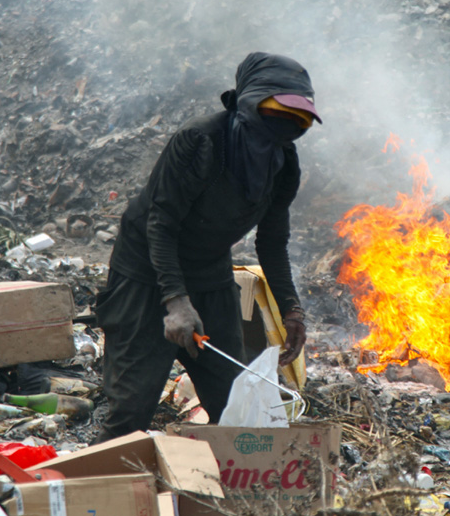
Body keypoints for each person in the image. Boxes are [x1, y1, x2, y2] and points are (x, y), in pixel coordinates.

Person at [92, 52, 320, 443]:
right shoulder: (200, 141)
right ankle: (95, 477)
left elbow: (272, 242)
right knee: (130, 412)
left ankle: (222, 481)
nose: (283, 128)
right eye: (275, 113)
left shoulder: (283, 162)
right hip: (146, 274)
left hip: (210, 275)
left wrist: (292, 311)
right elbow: (160, 225)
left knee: (235, 407)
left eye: (296, 119)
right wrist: (176, 302)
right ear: (248, 102)